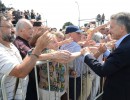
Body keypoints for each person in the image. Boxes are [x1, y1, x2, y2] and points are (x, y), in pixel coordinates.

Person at [0, 13, 71, 100]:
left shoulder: (11, 46)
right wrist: (40, 48)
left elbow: (28, 57)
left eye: (12, 26)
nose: (13, 30)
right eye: (8, 27)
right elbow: (20, 72)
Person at [81, 12, 130, 100]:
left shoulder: (124, 48)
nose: (109, 31)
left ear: (122, 28)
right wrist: (107, 53)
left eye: (111, 27)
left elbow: (103, 70)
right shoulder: (126, 44)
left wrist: (87, 54)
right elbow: (120, 62)